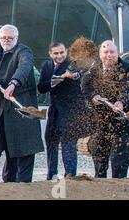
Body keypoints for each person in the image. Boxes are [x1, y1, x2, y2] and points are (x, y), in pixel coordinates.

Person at [0, 24, 44, 183]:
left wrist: (13, 84)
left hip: (22, 105)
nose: (6, 40)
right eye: (3, 37)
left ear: (16, 38)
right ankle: (8, 184)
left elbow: (24, 68)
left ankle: (24, 185)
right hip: (5, 108)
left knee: (25, 148)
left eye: (10, 38)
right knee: (9, 147)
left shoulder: (24, 51)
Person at [82, 40, 129, 178]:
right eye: (106, 52)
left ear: (117, 54)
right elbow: (85, 85)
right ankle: (100, 183)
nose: (109, 55)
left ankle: (119, 183)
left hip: (120, 120)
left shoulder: (128, 69)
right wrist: (93, 96)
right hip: (100, 119)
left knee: (119, 157)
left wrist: (121, 102)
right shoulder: (94, 69)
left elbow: (128, 89)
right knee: (99, 153)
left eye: (112, 52)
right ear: (100, 55)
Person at [37, 42, 86, 180]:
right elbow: (41, 87)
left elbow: (79, 75)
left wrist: (72, 75)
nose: (59, 56)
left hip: (71, 110)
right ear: (50, 54)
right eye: (56, 53)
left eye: (62, 52)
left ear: (67, 51)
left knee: (68, 142)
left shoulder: (74, 63)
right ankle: (51, 174)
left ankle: (70, 175)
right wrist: (54, 81)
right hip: (54, 110)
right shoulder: (46, 65)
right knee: (50, 140)